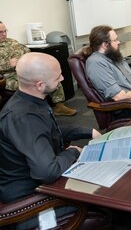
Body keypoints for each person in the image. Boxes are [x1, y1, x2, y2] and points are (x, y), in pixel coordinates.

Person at [0, 52, 101, 204]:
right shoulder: (24, 118)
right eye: (58, 77)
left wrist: (86, 131)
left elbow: (48, 129)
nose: (62, 79)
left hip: (39, 179)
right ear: (40, 85)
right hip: (30, 197)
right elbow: (47, 172)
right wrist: (73, 151)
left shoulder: (30, 100)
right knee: (103, 197)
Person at [0, 21, 77, 116]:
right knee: (34, 84)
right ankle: (35, 111)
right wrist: (8, 65)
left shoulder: (12, 42)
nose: (4, 34)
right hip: (9, 77)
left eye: (5, 31)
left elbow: (27, 51)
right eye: (1, 32)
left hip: (27, 70)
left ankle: (59, 106)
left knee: (52, 78)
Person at [85, 25, 131, 118]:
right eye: (115, 40)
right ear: (105, 45)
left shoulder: (113, 54)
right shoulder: (96, 64)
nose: (119, 42)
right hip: (128, 106)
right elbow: (118, 96)